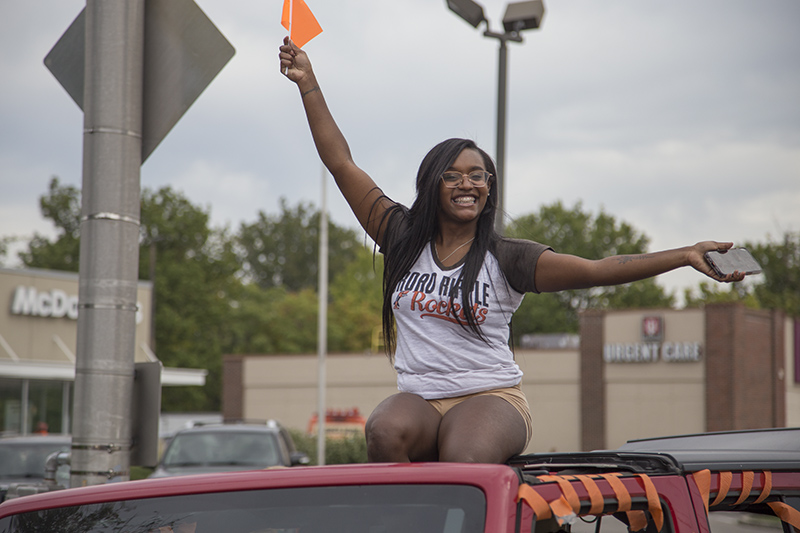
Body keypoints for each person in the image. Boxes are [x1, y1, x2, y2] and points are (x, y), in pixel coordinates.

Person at [278, 37, 745, 464]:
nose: (468, 184)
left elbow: (596, 270)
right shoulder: (401, 236)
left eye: (478, 175)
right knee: (385, 429)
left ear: (489, 186)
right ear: (431, 183)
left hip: (492, 398)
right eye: (454, 174)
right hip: (420, 398)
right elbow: (340, 163)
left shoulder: (508, 257)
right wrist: (308, 83)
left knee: (464, 455)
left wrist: (684, 254)